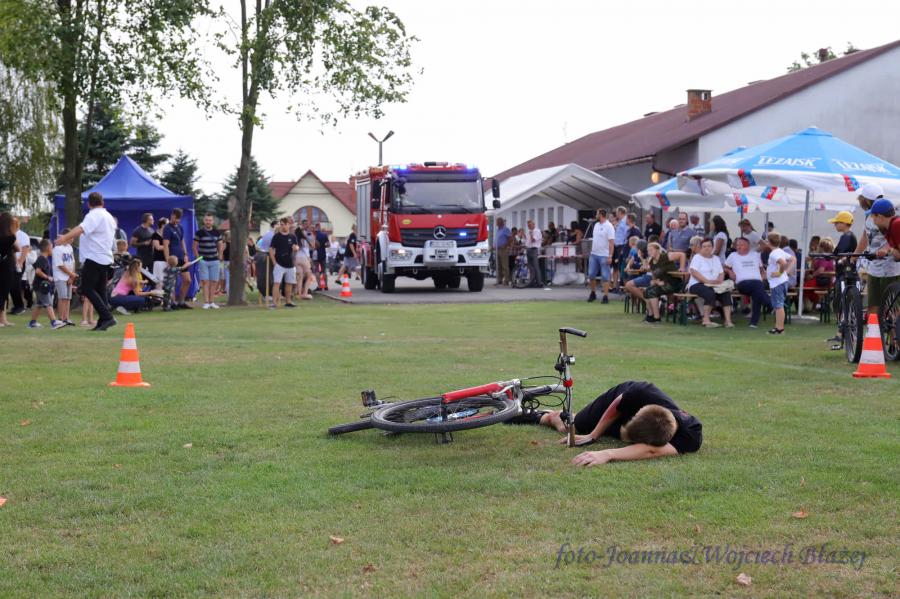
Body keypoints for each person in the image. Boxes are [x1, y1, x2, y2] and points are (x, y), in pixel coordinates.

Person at [528, 381, 702, 465]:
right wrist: (593, 435)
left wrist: (607, 454)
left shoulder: (691, 434)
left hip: (636, 418)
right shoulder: (642, 391)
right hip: (616, 400)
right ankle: (542, 415)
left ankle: (538, 415)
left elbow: (651, 450)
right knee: (571, 425)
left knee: (612, 432)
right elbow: (618, 404)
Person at [54, 191, 118, 331]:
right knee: (100, 291)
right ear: (102, 202)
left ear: (89, 204)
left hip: (94, 257)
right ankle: (103, 321)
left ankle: (107, 317)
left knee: (86, 289)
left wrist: (64, 238)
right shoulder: (108, 216)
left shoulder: (94, 215)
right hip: (105, 258)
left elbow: (81, 228)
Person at [724, 237, 770, 328]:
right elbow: (724, 267)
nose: (738, 247)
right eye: (737, 245)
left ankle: (753, 323)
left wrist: (763, 277)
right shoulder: (733, 255)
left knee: (757, 293)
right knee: (758, 289)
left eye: (741, 245)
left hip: (757, 283)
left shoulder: (755, 255)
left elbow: (762, 269)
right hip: (743, 284)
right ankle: (772, 305)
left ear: (748, 246)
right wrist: (729, 271)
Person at [688, 238, 734, 328]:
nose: (707, 248)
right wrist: (707, 281)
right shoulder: (697, 257)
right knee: (710, 293)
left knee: (726, 293)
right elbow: (694, 272)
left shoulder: (716, 259)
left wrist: (720, 281)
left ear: (712, 247)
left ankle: (728, 321)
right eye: (704, 246)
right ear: (701, 248)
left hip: (714, 285)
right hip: (697, 284)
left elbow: (721, 273)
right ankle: (706, 320)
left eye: (709, 246)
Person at [761, 232, 794, 335]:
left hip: (777, 283)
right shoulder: (780, 251)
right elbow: (793, 259)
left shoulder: (774, 253)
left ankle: (780, 328)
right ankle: (778, 327)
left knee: (778, 306)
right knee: (778, 305)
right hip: (781, 282)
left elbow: (783, 263)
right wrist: (787, 271)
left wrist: (780, 272)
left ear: (769, 242)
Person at [29, 240, 65, 329]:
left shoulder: (42, 258)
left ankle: (32, 323)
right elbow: (38, 271)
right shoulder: (42, 259)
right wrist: (48, 277)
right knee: (48, 303)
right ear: (48, 248)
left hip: (39, 285)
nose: (52, 249)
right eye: (51, 247)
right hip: (41, 286)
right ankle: (54, 322)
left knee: (39, 304)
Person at [163, 207, 192, 309]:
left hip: (181, 257)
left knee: (187, 280)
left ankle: (181, 301)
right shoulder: (167, 228)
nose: (177, 220)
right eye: (176, 218)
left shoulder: (180, 227)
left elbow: (182, 241)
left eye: (179, 219)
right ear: (172, 216)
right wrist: (168, 259)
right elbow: (165, 245)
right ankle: (172, 303)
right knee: (173, 282)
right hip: (173, 259)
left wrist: (185, 254)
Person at [193, 212, 223, 309]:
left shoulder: (217, 232)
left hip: (214, 260)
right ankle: (206, 302)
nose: (208, 222)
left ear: (213, 221)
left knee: (214, 281)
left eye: (210, 220)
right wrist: (198, 258)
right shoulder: (199, 233)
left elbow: (220, 245)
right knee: (205, 281)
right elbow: (194, 246)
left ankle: (212, 301)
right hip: (203, 260)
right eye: (206, 220)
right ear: (204, 221)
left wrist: (220, 255)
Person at [269, 217, 299, 308]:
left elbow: (297, 247)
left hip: (290, 264)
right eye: (281, 224)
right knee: (277, 283)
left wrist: (296, 248)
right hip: (279, 264)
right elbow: (271, 249)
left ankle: (288, 302)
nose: (283, 226)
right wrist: (274, 262)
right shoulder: (276, 236)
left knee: (289, 283)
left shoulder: (293, 236)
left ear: (289, 225)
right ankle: (274, 303)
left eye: (285, 224)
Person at [587, 209, 615, 303]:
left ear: (601, 215)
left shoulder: (609, 226)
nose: (596, 215)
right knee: (591, 274)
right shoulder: (596, 225)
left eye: (597, 214)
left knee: (605, 276)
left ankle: (605, 296)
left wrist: (610, 256)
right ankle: (593, 293)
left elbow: (611, 242)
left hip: (604, 255)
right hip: (594, 254)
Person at [51, 229, 76, 326]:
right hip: (60, 277)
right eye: (71, 237)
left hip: (69, 277)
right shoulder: (57, 249)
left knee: (68, 298)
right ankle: (60, 319)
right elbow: (60, 265)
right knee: (62, 298)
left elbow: (73, 262)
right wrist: (71, 274)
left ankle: (66, 318)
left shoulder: (70, 247)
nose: (72, 239)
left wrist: (71, 276)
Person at [0, 212, 19, 327]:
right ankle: (2, 320)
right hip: (6, 266)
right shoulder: (11, 237)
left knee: (3, 293)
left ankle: (3, 319)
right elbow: (18, 248)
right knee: (3, 293)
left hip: (5, 265)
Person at [8, 215, 30, 315]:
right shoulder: (9, 234)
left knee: (15, 284)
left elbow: (25, 249)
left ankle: (20, 306)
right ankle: (16, 306)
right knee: (11, 285)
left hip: (19, 262)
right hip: (10, 262)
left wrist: (20, 262)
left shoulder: (22, 235)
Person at [524, 219, 543, 288]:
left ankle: (539, 282)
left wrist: (531, 234)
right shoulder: (529, 231)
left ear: (533, 224)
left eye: (530, 225)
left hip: (534, 249)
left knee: (535, 266)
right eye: (528, 225)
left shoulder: (537, 231)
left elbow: (533, 240)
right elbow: (527, 242)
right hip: (529, 249)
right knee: (530, 267)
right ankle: (531, 282)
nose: (529, 226)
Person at [150, 217, 168, 290]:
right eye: (167, 224)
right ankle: (158, 294)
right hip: (158, 260)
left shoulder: (167, 235)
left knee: (166, 280)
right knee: (159, 280)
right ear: (163, 225)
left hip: (166, 260)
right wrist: (167, 246)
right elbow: (157, 247)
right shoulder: (155, 235)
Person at [494, 217, 511, 286]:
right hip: (497, 249)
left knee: (504, 266)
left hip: (503, 249)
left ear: (501, 222)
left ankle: (506, 280)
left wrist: (505, 245)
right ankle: (499, 280)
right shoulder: (497, 230)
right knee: (498, 266)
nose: (496, 223)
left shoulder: (506, 229)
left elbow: (510, 238)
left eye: (497, 222)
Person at [314, 223, 329, 290]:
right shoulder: (324, 235)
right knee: (324, 270)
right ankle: (326, 286)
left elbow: (314, 244)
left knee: (317, 270)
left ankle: (319, 286)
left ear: (315, 227)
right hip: (323, 254)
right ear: (319, 227)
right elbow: (328, 245)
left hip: (315, 254)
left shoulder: (314, 235)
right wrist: (323, 246)